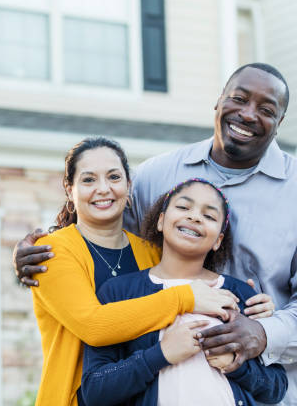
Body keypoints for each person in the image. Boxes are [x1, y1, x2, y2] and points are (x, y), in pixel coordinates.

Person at [14, 63, 297, 405]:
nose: (248, 114)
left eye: (266, 110)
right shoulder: (155, 176)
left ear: (279, 123)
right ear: (218, 102)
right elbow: (101, 220)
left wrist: (263, 333)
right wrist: (45, 246)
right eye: (239, 98)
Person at [29, 137, 271, 406]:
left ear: (128, 185)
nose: (103, 189)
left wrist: (258, 310)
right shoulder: (52, 251)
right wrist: (184, 298)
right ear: (69, 188)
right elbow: (94, 326)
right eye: (88, 180)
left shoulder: (150, 252)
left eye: (113, 177)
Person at [81, 178, 288, 406]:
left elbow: (276, 388)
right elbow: (95, 391)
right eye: (183, 207)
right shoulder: (119, 291)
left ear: (218, 240)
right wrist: (160, 355)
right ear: (161, 221)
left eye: (209, 216)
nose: (195, 217)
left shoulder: (241, 294)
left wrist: (236, 365)